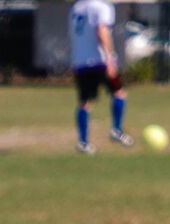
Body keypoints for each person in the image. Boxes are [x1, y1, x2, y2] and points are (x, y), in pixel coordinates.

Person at [70, 0, 132, 154]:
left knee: (85, 102)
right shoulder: (102, 7)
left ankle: (83, 142)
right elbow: (102, 31)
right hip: (100, 60)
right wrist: (110, 57)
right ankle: (117, 130)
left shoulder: (76, 7)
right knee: (119, 93)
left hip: (80, 61)